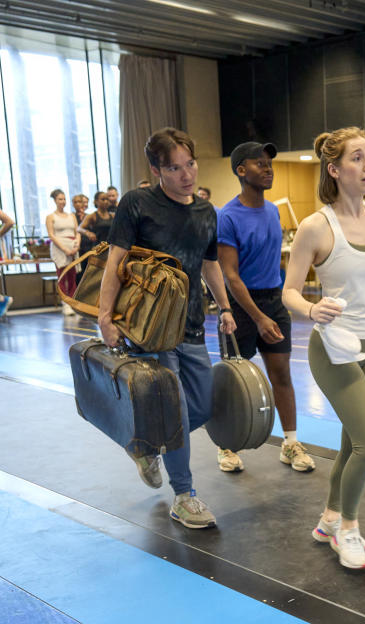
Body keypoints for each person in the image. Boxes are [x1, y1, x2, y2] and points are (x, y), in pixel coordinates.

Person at [99, 126, 237, 530]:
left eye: (190, 164)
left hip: (193, 326)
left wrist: (224, 306)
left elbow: (209, 263)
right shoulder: (137, 204)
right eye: (175, 168)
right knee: (175, 408)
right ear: (157, 170)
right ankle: (184, 495)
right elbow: (115, 263)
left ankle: (146, 444)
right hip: (149, 329)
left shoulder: (206, 212)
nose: (186, 175)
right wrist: (106, 317)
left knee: (204, 406)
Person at [282, 127, 365, 570]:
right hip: (334, 347)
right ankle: (348, 529)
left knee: (353, 443)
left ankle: (329, 518)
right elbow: (289, 292)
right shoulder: (315, 226)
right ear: (334, 170)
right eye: (357, 158)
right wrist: (311, 310)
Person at [215, 142, 315, 474]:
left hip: (273, 300)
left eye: (269, 163)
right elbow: (230, 276)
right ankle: (226, 446)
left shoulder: (272, 210)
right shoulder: (227, 216)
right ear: (241, 170)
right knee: (234, 380)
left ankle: (290, 443)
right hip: (241, 308)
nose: (268, 168)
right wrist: (257, 318)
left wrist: (273, 308)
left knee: (282, 374)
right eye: (260, 164)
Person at [46, 189, 78, 316]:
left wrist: (76, 245)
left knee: (72, 276)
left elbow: (77, 232)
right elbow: (51, 235)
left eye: (64, 199)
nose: (62, 201)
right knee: (62, 275)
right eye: (60, 199)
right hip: (59, 248)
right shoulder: (51, 217)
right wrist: (64, 248)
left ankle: (72, 302)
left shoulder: (72, 216)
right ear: (55, 201)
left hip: (73, 246)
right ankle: (65, 303)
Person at [76, 191, 113, 285]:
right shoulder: (92, 216)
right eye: (103, 199)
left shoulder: (113, 215)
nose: (105, 201)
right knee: (97, 276)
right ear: (96, 201)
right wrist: (88, 233)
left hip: (111, 249)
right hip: (98, 249)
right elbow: (79, 228)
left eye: (107, 199)